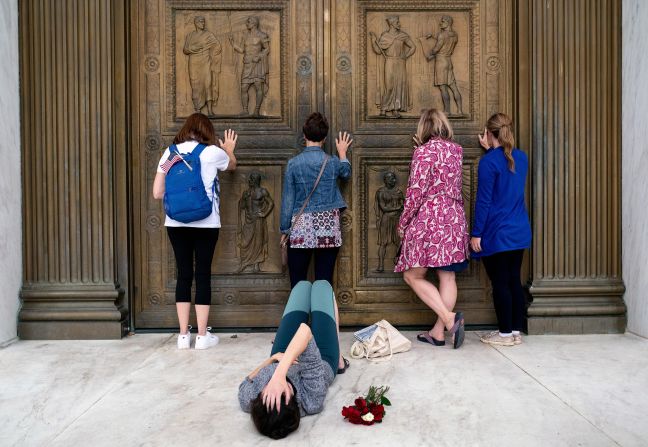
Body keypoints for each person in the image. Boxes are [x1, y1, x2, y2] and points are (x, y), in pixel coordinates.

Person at [152, 113, 237, 350]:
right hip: (206, 222)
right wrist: (229, 149)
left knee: (184, 274)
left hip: (176, 223)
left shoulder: (170, 154)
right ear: (207, 131)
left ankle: (182, 336)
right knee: (202, 274)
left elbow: (157, 192)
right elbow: (232, 166)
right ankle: (201, 336)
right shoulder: (212, 153)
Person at [279, 112, 352, 372]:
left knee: (298, 288)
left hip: (300, 230)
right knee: (324, 287)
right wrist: (343, 152)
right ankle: (329, 348)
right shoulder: (332, 163)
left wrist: (284, 229)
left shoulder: (294, 164)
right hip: (328, 229)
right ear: (325, 137)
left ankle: (292, 346)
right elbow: (346, 172)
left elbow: (288, 199)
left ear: (304, 134)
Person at [395, 108, 469, 349]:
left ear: (423, 129)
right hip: (454, 218)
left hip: (430, 219)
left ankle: (448, 319)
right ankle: (438, 332)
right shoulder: (456, 151)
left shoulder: (423, 153)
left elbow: (415, 193)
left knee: (412, 275)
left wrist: (403, 222)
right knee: (447, 276)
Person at [239, 280, 340, 439]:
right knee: (321, 286)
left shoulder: (250, 399)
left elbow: (246, 382)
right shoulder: (311, 401)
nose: (273, 385)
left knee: (302, 287)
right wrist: (279, 375)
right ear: (295, 401)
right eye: (282, 390)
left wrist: (272, 359)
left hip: (281, 355)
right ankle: (339, 359)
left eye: (269, 390)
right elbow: (304, 331)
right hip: (322, 357)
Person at [471, 113, 532, 347]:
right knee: (513, 281)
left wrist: (477, 233)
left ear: (489, 133)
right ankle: (515, 331)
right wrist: (491, 151)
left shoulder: (489, 162)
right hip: (519, 231)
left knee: (500, 283)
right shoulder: (521, 158)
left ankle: (505, 334)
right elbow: (506, 176)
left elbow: (485, 201)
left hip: (497, 232)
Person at [369, 16, 416, 117]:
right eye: (397, 22)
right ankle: (384, 108)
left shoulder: (403, 36)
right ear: (391, 24)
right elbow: (378, 51)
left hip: (400, 62)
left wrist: (405, 56)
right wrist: (373, 41)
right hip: (390, 62)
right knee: (389, 86)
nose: (399, 24)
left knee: (399, 86)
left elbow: (413, 47)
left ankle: (395, 109)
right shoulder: (385, 36)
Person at [228, 16, 270, 116]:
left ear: (254, 23)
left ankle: (256, 111)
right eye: (247, 22)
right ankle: (245, 110)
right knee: (243, 87)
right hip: (247, 64)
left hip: (257, 64)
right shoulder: (245, 36)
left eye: (249, 22)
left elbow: (267, 49)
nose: (247, 23)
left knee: (258, 87)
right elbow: (242, 50)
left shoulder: (262, 35)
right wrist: (232, 43)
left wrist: (259, 56)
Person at [183, 16, 222, 116]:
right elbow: (185, 50)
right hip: (193, 63)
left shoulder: (208, 35)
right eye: (200, 21)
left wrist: (212, 55)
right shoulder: (190, 36)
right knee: (195, 85)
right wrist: (193, 48)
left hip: (205, 62)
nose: (203, 23)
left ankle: (209, 110)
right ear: (195, 23)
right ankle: (197, 110)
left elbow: (217, 46)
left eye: (203, 22)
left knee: (207, 84)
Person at [237, 171, 274, 273]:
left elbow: (271, 203)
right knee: (245, 241)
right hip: (248, 220)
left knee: (258, 242)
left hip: (258, 220)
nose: (249, 181)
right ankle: (244, 263)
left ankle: (256, 265)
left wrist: (264, 213)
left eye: (251, 179)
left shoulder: (262, 191)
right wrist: (243, 199)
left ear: (256, 180)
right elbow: (242, 207)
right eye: (249, 179)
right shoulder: (246, 192)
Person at [425, 15, 463, 115]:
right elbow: (445, 42)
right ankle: (460, 110)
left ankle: (447, 111)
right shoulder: (454, 35)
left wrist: (430, 53)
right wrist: (433, 36)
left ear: (448, 23)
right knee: (454, 87)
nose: (440, 23)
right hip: (448, 60)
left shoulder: (442, 35)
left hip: (441, 63)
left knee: (443, 87)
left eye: (442, 22)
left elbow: (437, 48)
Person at [374, 170, 405, 272]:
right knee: (383, 243)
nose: (394, 180)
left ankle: (398, 263)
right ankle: (381, 265)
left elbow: (404, 205)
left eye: (394, 178)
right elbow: (384, 208)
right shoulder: (381, 192)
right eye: (391, 178)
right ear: (386, 180)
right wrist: (397, 208)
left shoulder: (398, 192)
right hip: (386, 219)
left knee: (399, 242)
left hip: (397, 219)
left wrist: (401, 207)